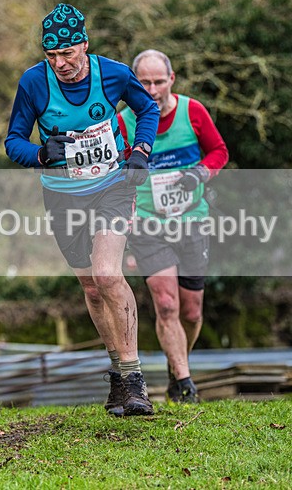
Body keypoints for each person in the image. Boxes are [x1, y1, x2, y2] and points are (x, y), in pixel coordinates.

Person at [5, 3, 160, 416]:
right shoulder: (34, 83)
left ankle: (134, 378)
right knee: (90, 285)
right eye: (52, 56)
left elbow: (148, 108)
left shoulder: (114, 73)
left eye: (68, 54)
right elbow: (13, 141)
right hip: (62, 194)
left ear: (84, 46)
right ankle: (118, 379)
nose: (60, 64)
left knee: (108, 273)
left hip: (111, 186)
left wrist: (142, 150)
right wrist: (40, 153)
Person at [118, 49, 228, 403]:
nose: (152, 89)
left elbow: (219, 152)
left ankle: (176, 362)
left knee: (192, 310)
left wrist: (199, 173)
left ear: (172, 80)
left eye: (159, 81)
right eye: (145, 82)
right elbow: (118, 174)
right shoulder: (124, 123)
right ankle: (184, 383)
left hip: (192, 220)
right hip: (148, 225)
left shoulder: (192, 111)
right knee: (166, 305)